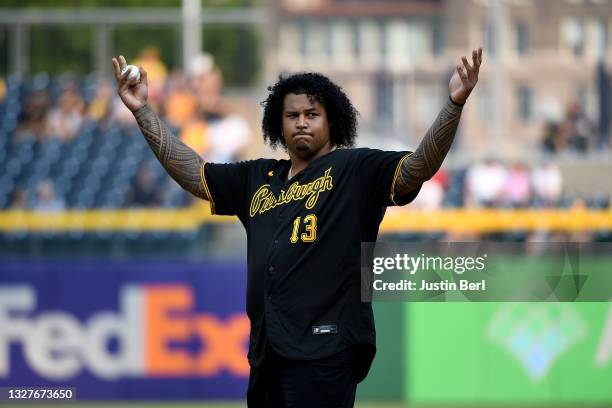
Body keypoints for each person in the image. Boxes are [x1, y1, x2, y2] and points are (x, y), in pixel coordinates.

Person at [112, 48, 482, 407]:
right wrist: (144, 110)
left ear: (331, 121)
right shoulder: (257, 176)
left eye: (312, 114)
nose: (301, 122)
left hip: (326, 348)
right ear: (279, 122)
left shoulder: (356, 169)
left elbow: (419, 167)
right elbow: (194, 174)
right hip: (268, 350)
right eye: (292, 115)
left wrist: (453, 105)